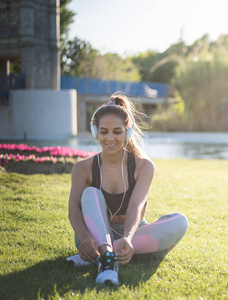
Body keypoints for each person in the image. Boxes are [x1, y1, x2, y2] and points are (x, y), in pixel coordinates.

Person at [67, 92, 188, 285]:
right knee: (90, 193)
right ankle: (107, 257)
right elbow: (73, 208)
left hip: (134, 235)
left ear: (128, 131)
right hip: (92, 236)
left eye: (117, 131)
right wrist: (84, 237)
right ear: (95, 132)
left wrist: (129, 237)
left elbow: (136, 206)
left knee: (180, 221)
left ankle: (105, 253)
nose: (110, 138)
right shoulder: (82, 168)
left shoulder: (144, 166)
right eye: (103, 131)